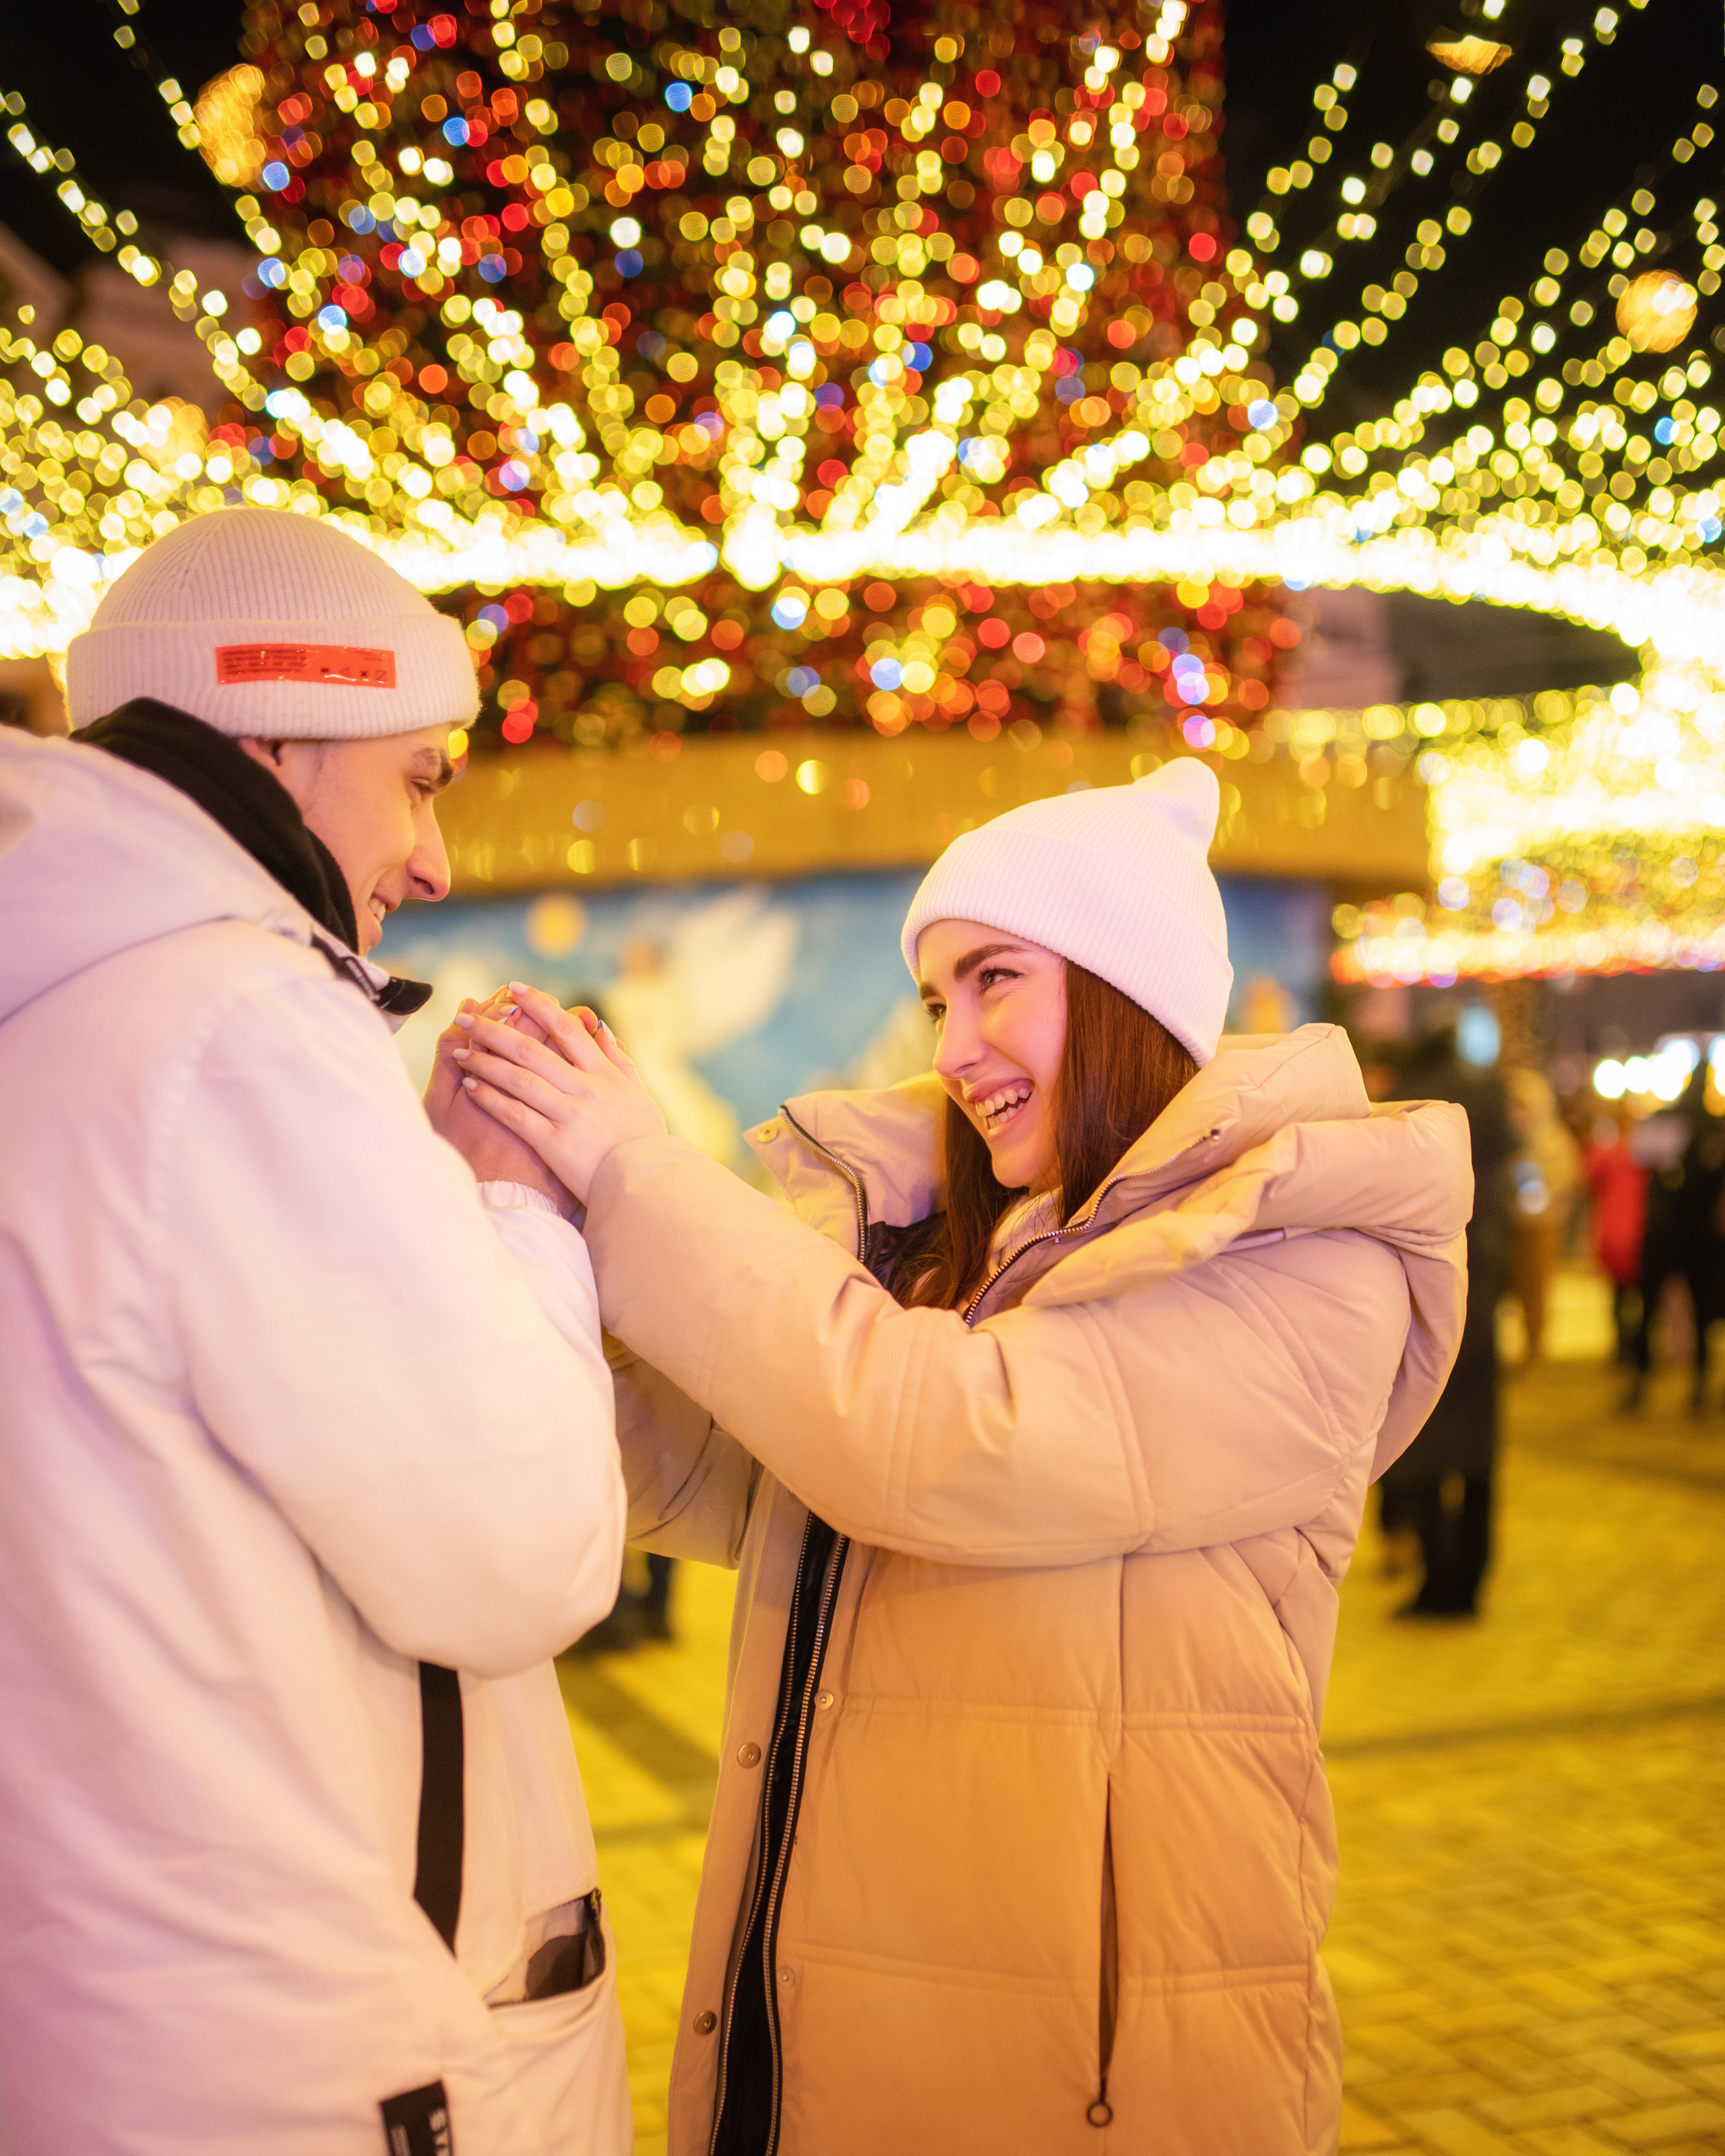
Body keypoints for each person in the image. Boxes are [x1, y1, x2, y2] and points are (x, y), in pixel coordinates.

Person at [440, 764, 1471, 2156]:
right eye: (937, 999)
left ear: (1126, 994)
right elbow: (737, 1465)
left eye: (996, 980)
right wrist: (516, 1231)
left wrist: (634, 1173)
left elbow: (931, 1441)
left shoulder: (1303, 1255)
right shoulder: (967, 1253)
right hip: (841, 1991)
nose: (956, 1042)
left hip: (1093, 2075)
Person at [0, 509, 633, 2156]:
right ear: (278, 732)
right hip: (311, 2053)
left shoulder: (62, 1015)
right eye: (420, 776)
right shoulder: (239, 1024)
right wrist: (511, 1209)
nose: (436, 861)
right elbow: (521, 1555)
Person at [1378, 1029, 1511, 1618]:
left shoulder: (1412, 1110)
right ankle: (1475, 1576)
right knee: (1479, 1451)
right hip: (1480, 1290)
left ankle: (1438, 1584)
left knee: (1426, 1443)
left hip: (1426, 1298)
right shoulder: (1490, 1103)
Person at [1625, 1063, 1725, 1414]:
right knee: (1701, 1311)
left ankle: (1640, 1384)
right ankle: (1697, 1388)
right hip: (1698, 1233)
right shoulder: (1714, 1125)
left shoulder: (1667, 1119)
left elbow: (1642, 1159)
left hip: (1668, 1230)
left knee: (1649, 1307)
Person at [1505, 1066, 1580, 1365]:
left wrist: (1540, 1196)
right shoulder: (1508, 1138)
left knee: (1536, 1288)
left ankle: (1534, 1350)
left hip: (1542, 1226)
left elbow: (1567, 1178)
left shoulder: (1553, 1139)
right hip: (1510, 1224)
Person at [1583, 1101, 1649, 1364]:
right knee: (1642, 1296)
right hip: (1639, 1230)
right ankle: (1637, 1349)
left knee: (1618, 1295)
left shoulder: (1608, 1153)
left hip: (1613, 1231)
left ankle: (1622, 1348)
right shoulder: (1644, 1155)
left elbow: (1586, 1176)